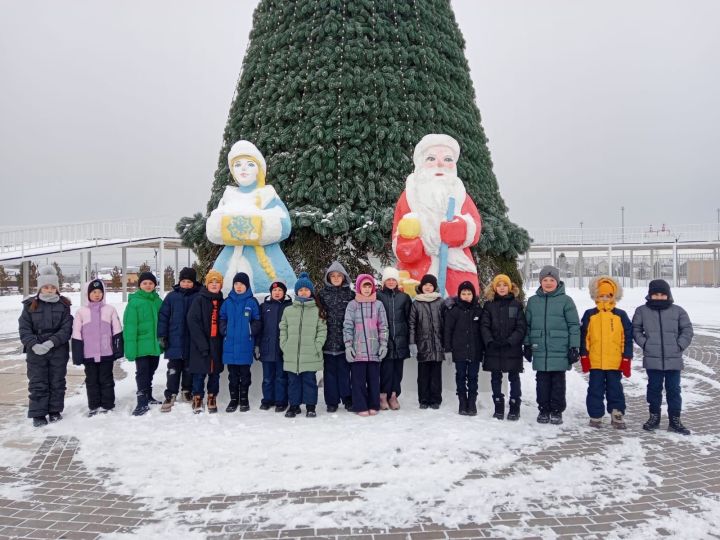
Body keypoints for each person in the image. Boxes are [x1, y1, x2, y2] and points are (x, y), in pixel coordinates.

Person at [391, 134, 482, 296]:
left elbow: (475, 227)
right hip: (417, 272)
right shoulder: (410, 196)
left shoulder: (460, 194)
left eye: (447, 159)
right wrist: (407, 247)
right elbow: (397, 234)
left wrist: (461, 230)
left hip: (457, 269)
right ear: (420, 163)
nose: (440, 163)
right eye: (431, 158)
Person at [205, 139, 296, 295]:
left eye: (250, 164)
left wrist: (238, 228)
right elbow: (213, 229)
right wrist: (251, 227)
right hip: (230, 261)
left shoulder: (268, 195)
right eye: (237, 164)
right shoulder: (228, 197)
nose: (243, 169)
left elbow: (283, 225)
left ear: (259, 169)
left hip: (266, 263)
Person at [632, 279, 694, 435]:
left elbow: (687, 330)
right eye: (655, 294)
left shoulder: (678, 311)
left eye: (662, 294)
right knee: (654, 389)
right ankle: (654, 417)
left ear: (668, 295)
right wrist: (645, 344)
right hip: (653, 358)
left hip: (673, 358)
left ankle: (675, 420)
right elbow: (636, 330)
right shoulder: (642, 311)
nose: (659, 297)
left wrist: (679, 345)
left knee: (674, 389)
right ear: (650, 295)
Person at [524, 265, 580, 425]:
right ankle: (543, 409)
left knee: (558, 382)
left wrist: (574, 347)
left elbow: (574, 325)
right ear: (541, 281)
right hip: (539, 347)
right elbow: (527, 325)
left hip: (560, 348)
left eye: (552, 280)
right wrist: (527, 345)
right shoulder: (533, 302)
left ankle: (557, 410)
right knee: (541, 381)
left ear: (558, 281)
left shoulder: (566, 301)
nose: (548, 283)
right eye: (545, 280)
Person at [18, 266, 73, 427]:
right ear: (40, 287)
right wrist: (34, 344)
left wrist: (51, 342)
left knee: (57, 381)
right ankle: (38, 413)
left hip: (58, 349)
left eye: (52, 287)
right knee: (38, 382)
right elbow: (24, 328)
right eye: (46, 287)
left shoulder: (64, 305)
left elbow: (66, 328)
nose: (49, 290)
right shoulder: (30, 305)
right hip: (36, 352)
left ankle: (55, 410)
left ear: (57, 288)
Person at [579, 276, 633, 429]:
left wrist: (626, 358)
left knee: (615, 388)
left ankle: (617, 413)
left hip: (614, 362)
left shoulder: (620, 315)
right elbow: (584, 337)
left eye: (608, 295)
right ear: (595, 296)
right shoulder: (590, 314)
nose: (604, 298)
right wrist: (584, 356)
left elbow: (626, 338)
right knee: (595, 388)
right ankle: (595, 415)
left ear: (614, 296)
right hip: (595, 361)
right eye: (601, 295)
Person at [71, 279, 123, 416]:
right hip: (89, 354)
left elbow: (117, 329)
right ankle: (94, 405)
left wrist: (118, 349)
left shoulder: (110, 310)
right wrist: (77, 354)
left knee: (106, 379)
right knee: (92, 381)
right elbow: (76, 333)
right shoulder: (81, 312)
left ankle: (107, 404)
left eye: (100, 292)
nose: (97, 294)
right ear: (87, 294)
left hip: (106, 353)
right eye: (94, 292)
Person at [280, 273, 327, 418]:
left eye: (307, 290)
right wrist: (284, 345)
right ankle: (294, 406)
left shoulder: (317, 310)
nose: (304, 292)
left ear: (311, 292)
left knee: (309, 382)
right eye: (301, 290)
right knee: (293, 382)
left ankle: (310, 406)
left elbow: (322, 330)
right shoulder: (288, 310)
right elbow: (283, 328)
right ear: (296, 292)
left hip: (311, 354)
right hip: (292, 353)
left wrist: (317, 345)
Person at [481, 274, 527, 421]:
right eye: (499, 285)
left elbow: (521, 327)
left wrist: (510, 341)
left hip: (511, 348)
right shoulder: (489, 305)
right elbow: (484, 326)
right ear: (494, 288)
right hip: (494, 348)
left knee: (514, 377)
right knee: (495, 378)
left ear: (510, 287)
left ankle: (514, 406)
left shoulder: (516, 305)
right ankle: (498, 405)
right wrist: (490, 341)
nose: (502, 288)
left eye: (505, 285)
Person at [343, 274, 389, 416]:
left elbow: (383, 326)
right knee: (358, 381)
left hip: (374, 350)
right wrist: (348, 345)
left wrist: (383, 344)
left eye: (370, 286)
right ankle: (360, 405)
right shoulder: (352, 305)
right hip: (358, 351)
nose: (367, 289)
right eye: (364, 286)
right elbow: (348, 326)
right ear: (359, 287)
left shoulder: (378, 304)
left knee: (374, 380)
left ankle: (374, 404)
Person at [157, 267, 201, 412]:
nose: (186, 284)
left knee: (189, 368)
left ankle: (186, 391)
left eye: (189, 281)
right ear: (179, 281)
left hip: (191, 340)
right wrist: (162, 335)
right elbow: (163, 317)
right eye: (183, 281)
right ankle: (170, 393)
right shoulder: (172, 297)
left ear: (193, 282)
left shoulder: (199, 296)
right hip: (175, 339)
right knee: (173, 369)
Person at [219, 272, 261, 412]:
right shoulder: (227, 302)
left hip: (245, 345)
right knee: (232, 376)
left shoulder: (251, 302)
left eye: (242, 284)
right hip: (230, 344)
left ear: (247, 286)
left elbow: (257, 320)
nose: (239, 287)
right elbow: (222, 318)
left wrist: (250, 330)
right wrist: (225, 330)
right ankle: (233, 400)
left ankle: (244, 399)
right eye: (236, 284)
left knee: (245, 375)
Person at [123, 271, 163, 416]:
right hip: (141, 345)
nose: (148, 285)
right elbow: (130, 327)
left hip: (154, 344)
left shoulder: (158, 301)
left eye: (151, 283)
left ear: (155, 285)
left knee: (151, 370)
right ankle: (141, 401)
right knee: (142, 372)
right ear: (140, 285)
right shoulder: (135, 303)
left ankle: (148, 395)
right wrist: (130, 348)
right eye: (145, 283)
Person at [318, 261, 355, 412]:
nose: (336, 278)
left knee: (345, 372)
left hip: (344, 342)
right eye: (332, 276)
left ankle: (347, 399)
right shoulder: (322, 294)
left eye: (339, 275)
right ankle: (331, 402)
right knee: (330, 374)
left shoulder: (351, 295)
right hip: (327, 341)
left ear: (344, 277)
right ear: (328, 277)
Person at [187, 270, 225, 414]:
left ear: (221, 285)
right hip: (200, 344)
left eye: (217, 282)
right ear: (207, 284)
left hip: (217, 344)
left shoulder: (222, 301)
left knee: (215, 373)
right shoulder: (199, 299)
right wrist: (202, 343)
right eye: (211, 282)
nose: (214, 285)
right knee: (199, 373)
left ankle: (212, 396)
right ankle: (197, 397)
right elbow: (192, 321)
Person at [443, 281, 483, 416]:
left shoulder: (478, 310)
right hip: (459, 350)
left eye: (469, 293)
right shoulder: (454, 311)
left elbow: (483, 332)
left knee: (473, 377)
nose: (466, 296)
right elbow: (447, 331)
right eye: (463, 293)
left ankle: (472, 402)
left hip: (475, 351)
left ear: (473, 294)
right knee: (460, 376)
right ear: (459, 295)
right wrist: (447, 350)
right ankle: (462, 401)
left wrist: (484, 350)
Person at [376, 267, 411, 410]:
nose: (391, 282)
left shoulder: (404, 297)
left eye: (393, 280)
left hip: (401, 340)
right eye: (388, 280)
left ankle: (394, 395)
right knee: (386, 370)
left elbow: (409, 319)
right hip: (385, 339)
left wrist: (410, 338)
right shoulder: (378, 296)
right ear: (384, 282)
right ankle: (383, 395)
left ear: (397, 282)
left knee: (398, 370)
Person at [409, 274, 445, 409]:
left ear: (434, 287)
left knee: (436, 374)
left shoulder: (440, 302)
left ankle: (436, 399)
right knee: (423, 375)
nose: (428, 288)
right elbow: (412, 324)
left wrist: (446, 342)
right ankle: (423, 399)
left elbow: (445, 323)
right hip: (422, 344)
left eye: (431, 285)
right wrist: (412, 343)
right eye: (426, 285)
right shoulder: (416, 303)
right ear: (421, 287)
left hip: (437, 344)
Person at [258, 281, 292, 412]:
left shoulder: (289, 306)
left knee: (281, 377)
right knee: (267, 377)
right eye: (274, 290)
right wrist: (257, 346)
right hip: (266, 348)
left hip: (282, 348)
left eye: (280, 290)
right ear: (270, 293)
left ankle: (281, 401)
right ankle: (267, 400)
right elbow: (260, 327)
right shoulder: (264, 306)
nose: (277, 293)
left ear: (284, 293)